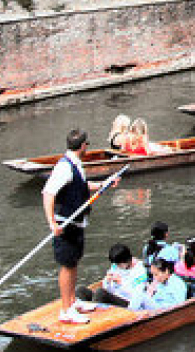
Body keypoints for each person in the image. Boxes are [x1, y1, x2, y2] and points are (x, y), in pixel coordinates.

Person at [42, 129, 108, 325]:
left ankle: (72, 301)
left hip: (77, 222)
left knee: (74, 262)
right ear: (83, 146)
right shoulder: (64, 167)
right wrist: (52, 223)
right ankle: (66, 311)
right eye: (87, 144)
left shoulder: (76, 165)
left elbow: (81, 186)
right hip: (65, 223)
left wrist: (103, 184)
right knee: (67, 265)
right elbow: (48, 194)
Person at [76, 242, 147, 308]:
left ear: (126, 260)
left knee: (100, 293)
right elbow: (106, 287)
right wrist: (107, 280)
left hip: (127, 301)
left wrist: (121, 282)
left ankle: (94, 315)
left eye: (118, 264)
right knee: (80, 290)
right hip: (113, 296)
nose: (117, 266)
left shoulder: (141, 270)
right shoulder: (116, 266)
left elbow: (138, 295)